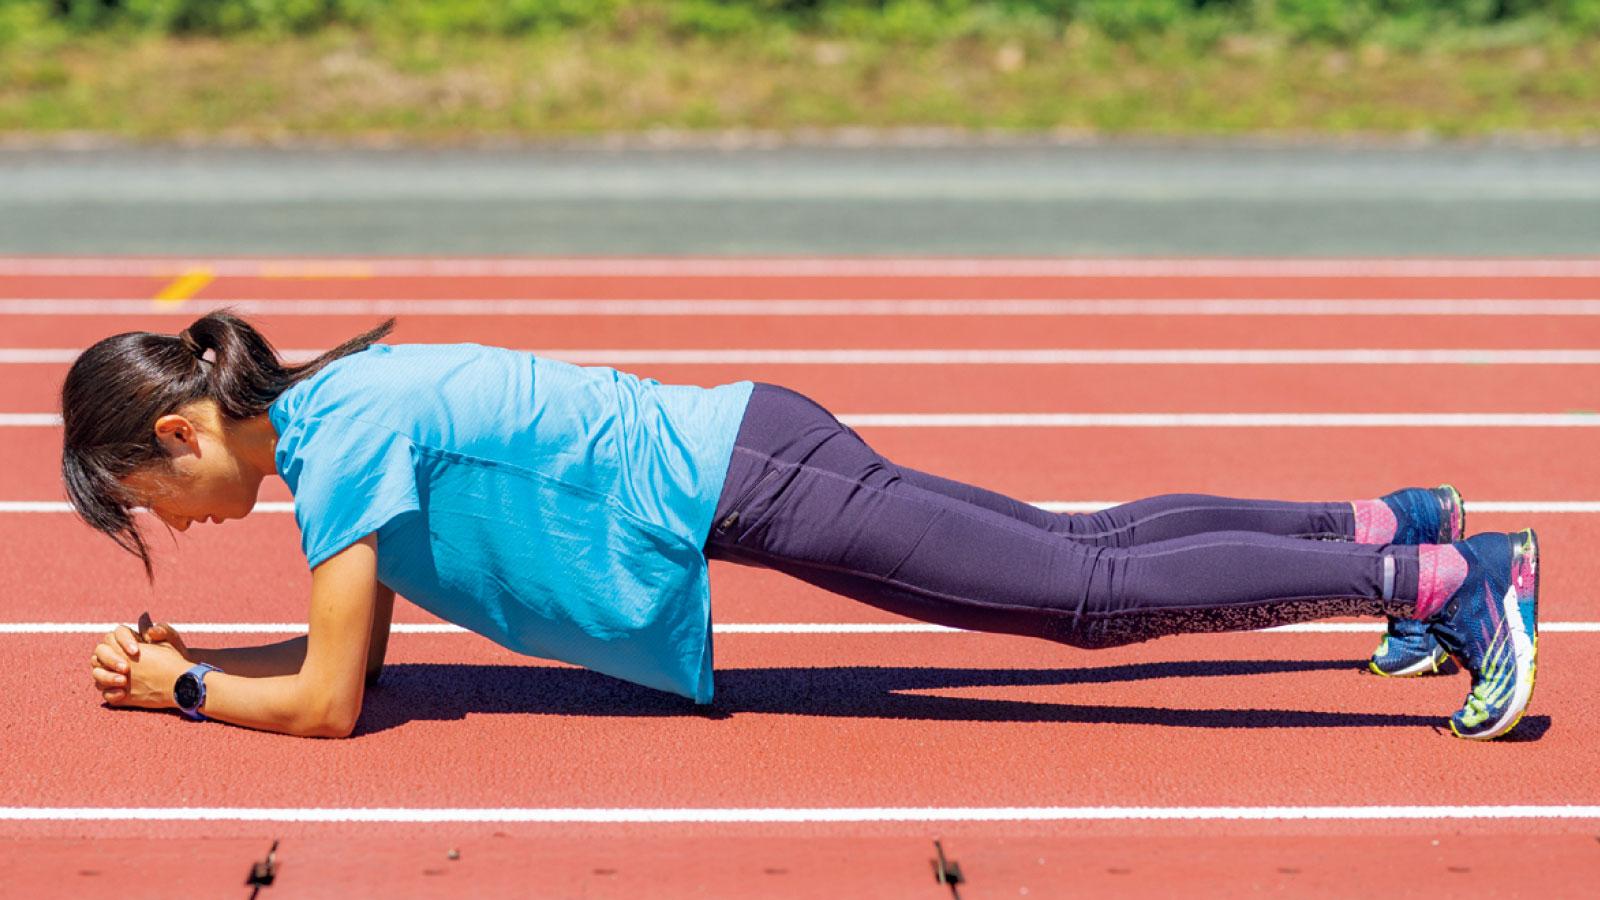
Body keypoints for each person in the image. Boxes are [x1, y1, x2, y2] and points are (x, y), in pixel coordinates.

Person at [68, 313, 1539, 741]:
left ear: (184, 431)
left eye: (151, 504)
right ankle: (1394, 527)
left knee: (1079, 603)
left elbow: (331, 701)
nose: (179, 532)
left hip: (751, 477)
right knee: (1079, 548)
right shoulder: (338, 424)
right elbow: (363, 640)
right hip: (753, 448)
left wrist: (185, 687)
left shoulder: (345, 443)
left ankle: (1446, 580)